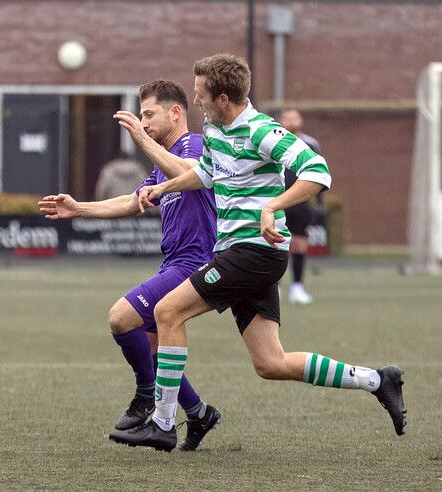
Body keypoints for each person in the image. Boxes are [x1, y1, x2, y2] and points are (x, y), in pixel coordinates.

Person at [109, 54, 406, 452]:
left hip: (254, 252)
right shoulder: (216, 131)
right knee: (270, 363)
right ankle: (377, 380)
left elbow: (318, 171)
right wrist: (164, 188)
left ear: (224, 97)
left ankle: (162, 423)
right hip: (240, 252)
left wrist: (272, 207)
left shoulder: (260, 130)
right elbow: (207, 175)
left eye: (201, 95)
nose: (196, 102)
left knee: (166, 312)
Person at [38, 80, 220, 451]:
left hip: (196, 263)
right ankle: (199, 413)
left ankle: (146, 395)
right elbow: (132, 201)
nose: (144, 122)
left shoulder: (194, 145)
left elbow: (192, 171)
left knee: (122, 317)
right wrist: (79, 208)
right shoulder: (163, 161)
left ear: (175, 113)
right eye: (140, 116)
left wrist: (143, 140)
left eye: (149, 114)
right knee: (156, 349)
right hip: (174, 262)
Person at [280, 108, 321, 304]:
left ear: (301, 120)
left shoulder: (310, 144)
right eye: (287, 117)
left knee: (299, 243)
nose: (291, 120)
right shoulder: (274, 141)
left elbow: (318, 172)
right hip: (278, 201)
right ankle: (274, 287)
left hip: (301, 202)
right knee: (277, 244)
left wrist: (320, 199)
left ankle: (297, 287)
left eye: (294, 117)